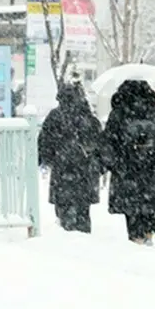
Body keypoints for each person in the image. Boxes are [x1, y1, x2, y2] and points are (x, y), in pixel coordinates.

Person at [99, 80, 155, 245]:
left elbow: (109, 138)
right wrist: (150, 143)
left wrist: (112, 159)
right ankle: (148, 233)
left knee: (131, 205)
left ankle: (135, 237)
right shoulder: (154, 110)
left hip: (127, 165)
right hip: (151, 164)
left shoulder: (119, 112)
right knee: (148, 203)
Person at [38, 82, 102, 233]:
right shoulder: (88, 117)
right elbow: (99, 143)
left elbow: (44, 142)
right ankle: (82, 236)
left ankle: (66, 233)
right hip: (84, 172)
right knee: (83, 211)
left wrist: (48, 159)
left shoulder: (54, 116)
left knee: (63, 208)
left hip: (62, 170)